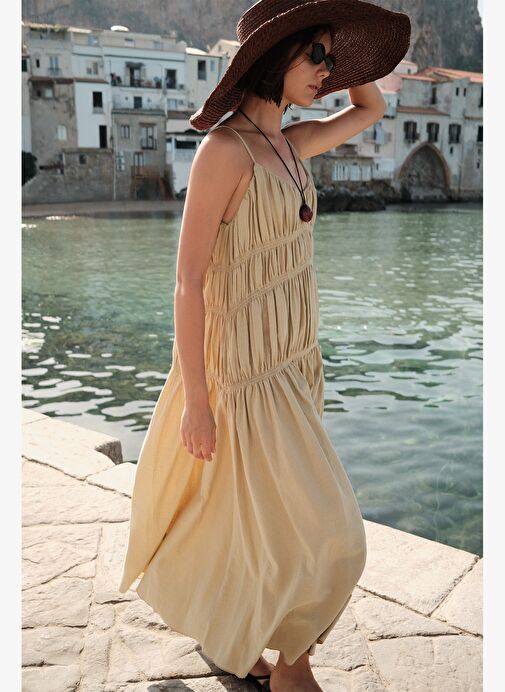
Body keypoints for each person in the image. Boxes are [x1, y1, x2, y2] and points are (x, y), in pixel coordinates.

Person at [117, 2, 410, 690]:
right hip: (239, 373)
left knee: (249, 522)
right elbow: (188, 281)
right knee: (334, 533)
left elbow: (370, 108)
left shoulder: (292, 143)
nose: (327, 72)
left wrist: (343, 56)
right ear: (273, 56)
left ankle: (235, 636)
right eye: (316, 55)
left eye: (331, 58)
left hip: (290, 364)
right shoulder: (226, 151)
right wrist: (196, 399)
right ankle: (291, 669)